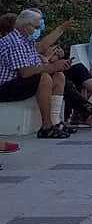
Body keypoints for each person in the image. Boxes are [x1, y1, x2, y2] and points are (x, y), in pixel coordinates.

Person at [0, 10, 73, 138]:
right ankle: (46, 126)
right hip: (5, 86)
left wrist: (61, 29)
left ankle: (56, 121)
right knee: (44, 77)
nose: (37, 30)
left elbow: (43, 45)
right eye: (36, 27)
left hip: (17, 82)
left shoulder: (24, 40)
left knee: (58, 76)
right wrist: (52, 66)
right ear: (26, 26)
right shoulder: (14, 42)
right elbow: (25, 72)